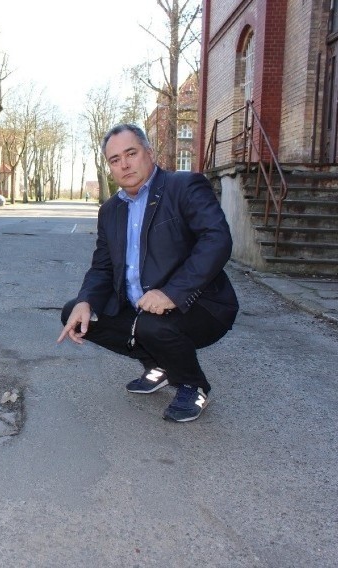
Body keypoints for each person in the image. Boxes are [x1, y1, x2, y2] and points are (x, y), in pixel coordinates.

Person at [57, 124, 238, 422]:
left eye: (131, 153)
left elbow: (216, 240)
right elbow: (102, 265)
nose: (124, 164)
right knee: (75, 315)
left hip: (200, 306)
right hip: (142, 308)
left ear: (149, 153)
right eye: (115, 160)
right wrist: (85, 300)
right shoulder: (111, 209)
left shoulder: (184, 186)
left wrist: (172, 293)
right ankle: (160, 366)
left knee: (152, 326)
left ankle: (193, 385)